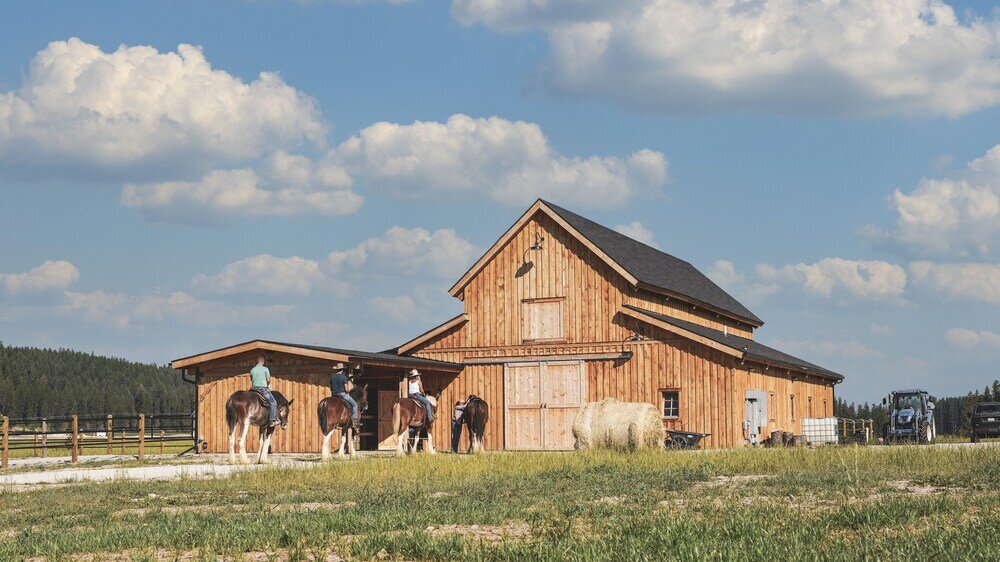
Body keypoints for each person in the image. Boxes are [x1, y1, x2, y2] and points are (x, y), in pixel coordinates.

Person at [330, 362, 360, 431]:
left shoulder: (332, 377)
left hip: (334, 395)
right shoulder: (344, 377)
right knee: (355, 404)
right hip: (342, 394)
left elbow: (331, 388)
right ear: (342, 370)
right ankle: (354, 422)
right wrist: (349, 391)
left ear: (337, 369)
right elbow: (346, 389)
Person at [250, 355, 278, 426]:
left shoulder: (252, 370)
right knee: (273, 402)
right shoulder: (265, 369)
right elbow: (268, 380)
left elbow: (252, 379)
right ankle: (272, 420)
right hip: (262, 389)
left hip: (253, 388)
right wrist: (267, 383)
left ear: (257, 361)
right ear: (263, 362)